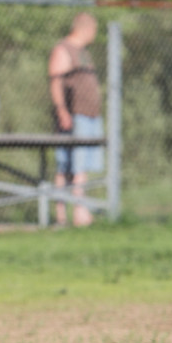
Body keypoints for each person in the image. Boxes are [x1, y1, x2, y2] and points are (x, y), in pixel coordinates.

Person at [48, 12, 104, 227]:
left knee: (83, 168)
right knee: (69, 167)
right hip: (74, 116)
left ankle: (80, 211)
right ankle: (67, 215)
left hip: (90, 116)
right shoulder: (63, 49)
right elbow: (55, 82)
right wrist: (62, 111)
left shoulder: (83, 52)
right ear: (86, 29)